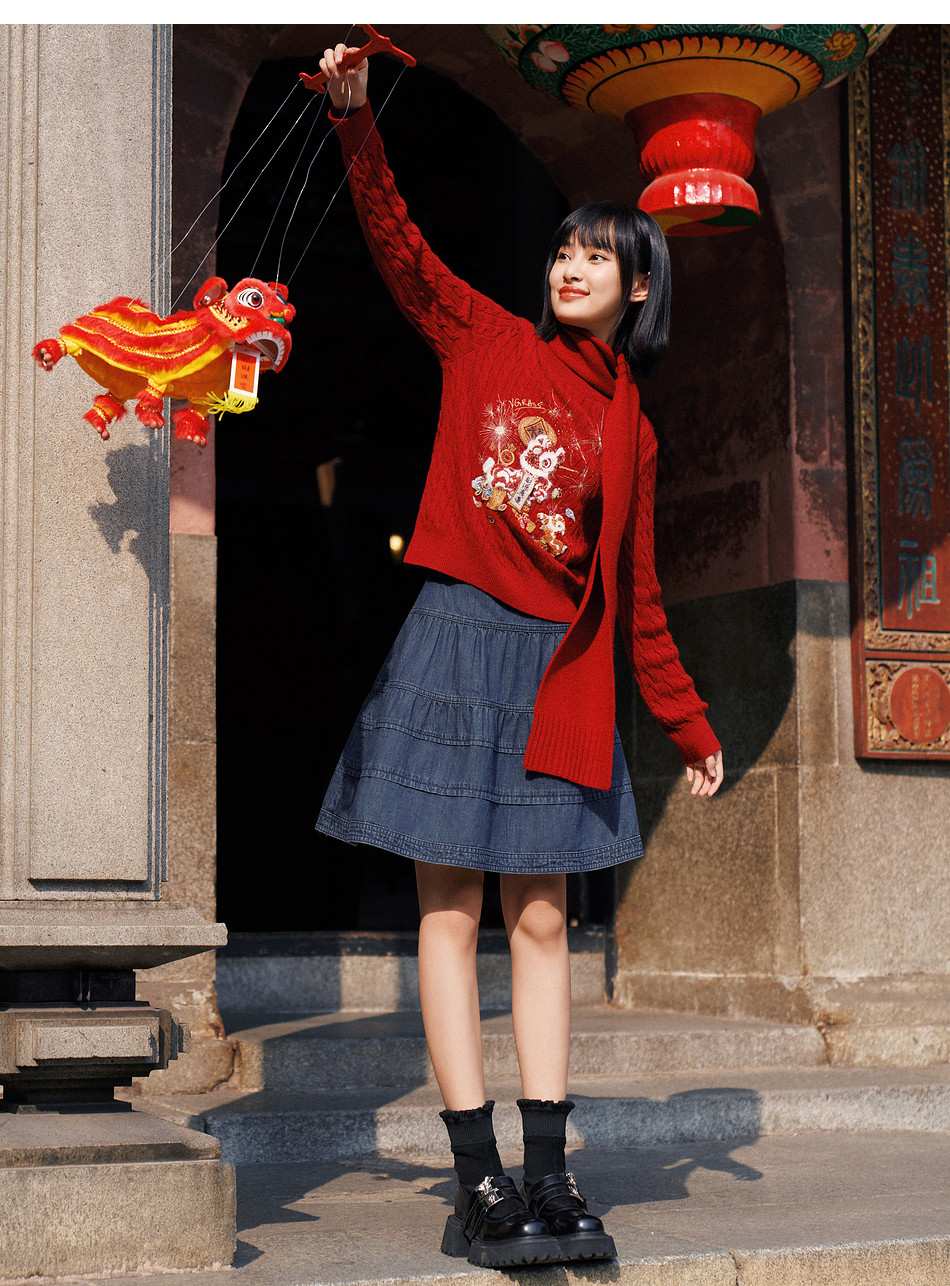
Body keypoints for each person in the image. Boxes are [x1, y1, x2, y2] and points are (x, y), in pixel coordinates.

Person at [314, 44, 723, 1271]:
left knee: (539, 918)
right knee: (446, 912)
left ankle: (549, 1172)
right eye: (560, 250)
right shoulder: (483, 338)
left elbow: (635, 593)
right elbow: (398, 246)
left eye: (595, 255)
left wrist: (686, 719)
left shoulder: (628, 428)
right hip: (454, 642)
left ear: (637, 285)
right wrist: (353, 121)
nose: (568, 266)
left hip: (554, 672)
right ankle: (478, 1177)